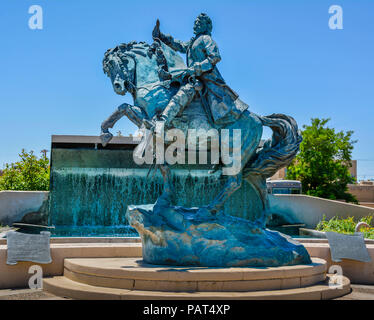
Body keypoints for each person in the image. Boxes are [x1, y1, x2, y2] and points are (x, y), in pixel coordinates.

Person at [152, 13, 248, 129]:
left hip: (206, 78)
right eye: (195, 22)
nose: (196, 24)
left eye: (199, 23)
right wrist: (161, 36)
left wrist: (196, 67)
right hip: (193, 76)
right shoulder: (193, 41)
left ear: (206, 26)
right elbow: (179, 45)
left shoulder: (206, 39)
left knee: (185, 91)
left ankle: (163, 122)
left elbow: (215, 57)